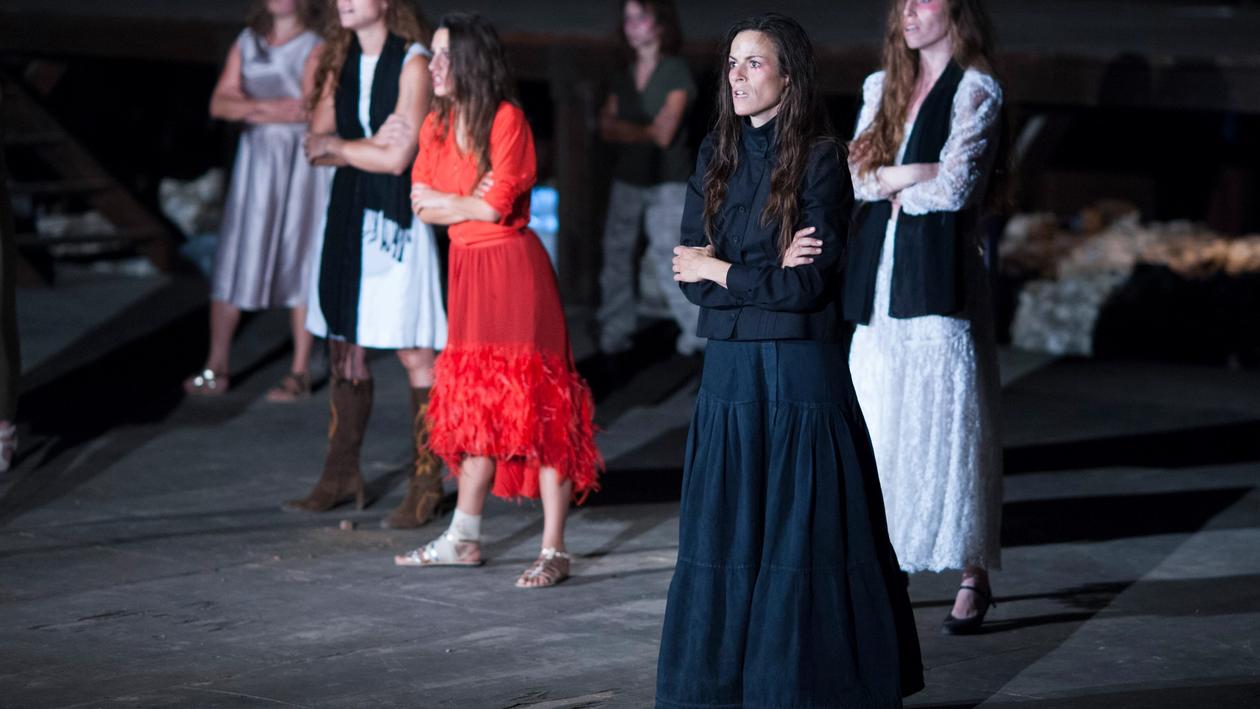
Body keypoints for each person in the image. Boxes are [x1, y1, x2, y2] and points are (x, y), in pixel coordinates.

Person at [655, 14, 923, 707]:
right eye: (733, 63)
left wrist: (723, 269)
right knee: (729, 527)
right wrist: (742, 268)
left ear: (788, 75)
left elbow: (803, 287)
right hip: (731, 375)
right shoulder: (716, 149)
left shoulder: (822, 158)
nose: (738, 76)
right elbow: (685, 270)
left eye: (754, 63)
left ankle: (801, 686)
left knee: (800, 536)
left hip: (801, 373)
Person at [393, 12, 601, 589]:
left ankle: (554, 547)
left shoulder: (506, 120)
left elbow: (490, 210)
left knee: (540, 404)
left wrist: (451, 199)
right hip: (467, 269)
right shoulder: (437, 124)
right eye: (431, 54)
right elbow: (421, 204)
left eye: (442, 55)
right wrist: (461, 198)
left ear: (469, 62)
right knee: (475, 403)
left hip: (513, 270)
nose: (432, 66)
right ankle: (464, 535)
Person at [841, 0, 1006, 635]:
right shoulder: (883, 86)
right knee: (881, 418)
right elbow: (856, 177)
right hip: (882, 272)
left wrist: (899, 179)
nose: (909, 11)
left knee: (949, 420)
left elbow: (957, 187)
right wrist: (913, 172)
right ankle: (889, 563)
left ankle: (973, 573)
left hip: (939, 273)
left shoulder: (977, 89)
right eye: (903, 2)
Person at [285, 0, 448, 530]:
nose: (344, 0)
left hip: (398, 214)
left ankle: (427, 479)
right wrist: (362, 146)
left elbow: (398, 160)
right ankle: (339, 475)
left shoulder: (414, 62)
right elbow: (314, 143)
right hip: (349, 210)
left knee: (412, 348)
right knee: (344, 343)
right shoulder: (340, 57)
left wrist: (343, 146)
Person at [184, 0, 329, 402]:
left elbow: (309, 108)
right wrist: (264, 108)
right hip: (256, 162)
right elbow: (219, 103)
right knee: (237, 252)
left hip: (297, 163)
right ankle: (217, 364)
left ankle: (300, 369)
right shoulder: (248, 41)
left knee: (298, 254)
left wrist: (247, 108)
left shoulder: (314, 45)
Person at [595, 0, 703, 358]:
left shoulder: (675, 71)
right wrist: (642, 129)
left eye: (640, 17)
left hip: (668, 182)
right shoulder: (621, 74)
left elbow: (664, 134)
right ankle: (615, 330)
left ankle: (697, 335)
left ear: (659, 24)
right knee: (616, 255)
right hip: (628, 178)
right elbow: (606, 128)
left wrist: (628, 130)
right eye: (627, 19)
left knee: (671, 256)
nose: (632, 25)